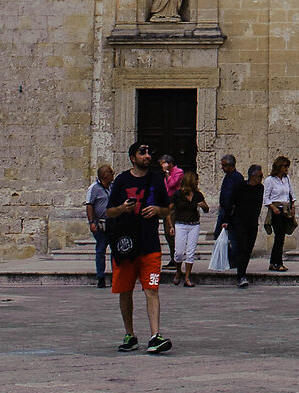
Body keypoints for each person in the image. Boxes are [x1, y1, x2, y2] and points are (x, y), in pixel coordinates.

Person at [105, 142, 171, 353]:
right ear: (133, 157)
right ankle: (130, 334)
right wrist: (123, 208)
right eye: (142, 153)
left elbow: (167, 208)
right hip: (126, 246)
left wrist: (158, 210)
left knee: (152, 288)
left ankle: (155, 335)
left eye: (148, 152)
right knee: (125, 290)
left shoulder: (157, 180)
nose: (147, 156)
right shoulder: (122, 181)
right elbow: (109, 212)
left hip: (150, 245)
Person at [225, 154, 263, 287]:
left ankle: (242, 272)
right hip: (239, 222)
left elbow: (258, 204)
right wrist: (227, 220)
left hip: (252, 222)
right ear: (253, 176)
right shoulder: (240, 186)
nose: (261, 178)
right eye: (260, 176)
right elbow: (231, 203)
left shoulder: (260, 188)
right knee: (241, 247)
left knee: (248, 249)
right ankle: (241, 275)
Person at [171, 168, 208, 287]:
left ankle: (187, 277)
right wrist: (171, 226)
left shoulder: (198, 195)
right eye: (196, 180)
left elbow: (206, 209)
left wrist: (203, 206)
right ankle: (178, 271)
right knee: (179, 253)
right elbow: (169, 210)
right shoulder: (178, 195)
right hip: (181, 224)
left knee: (190, 252)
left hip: (194, 225)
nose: (197, 182)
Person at [263, 156, 297, 272]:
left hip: (285, 209)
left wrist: (293, 206)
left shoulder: (287, 179)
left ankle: (273, 262)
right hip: (276, 210)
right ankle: (278, 262)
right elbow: (266, 198)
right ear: (279, 167)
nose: (287, 169)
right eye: (285, 166)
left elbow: (291, 193)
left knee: (281, 236)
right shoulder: (270, 180)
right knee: (279, 236)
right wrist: (273, 207)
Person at [86, 163, 115, 288]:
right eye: (110, 172)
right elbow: (89, 205)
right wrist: (92, 222)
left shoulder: (113, 187)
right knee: (100, 251)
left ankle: (116, 276)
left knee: (115, 250)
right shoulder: (94, 188)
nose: (113, 174)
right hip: (101, 224)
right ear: (104, 176)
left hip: (113, 224)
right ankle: (100, 277)